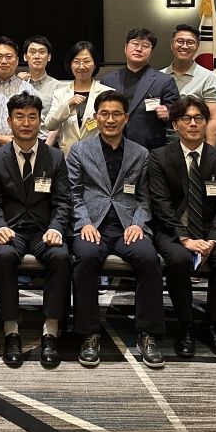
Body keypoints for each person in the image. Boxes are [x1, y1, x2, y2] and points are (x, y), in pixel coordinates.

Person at [67, 90, 165, 369]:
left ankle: (148, 333)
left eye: (116, 114)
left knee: (149, 258)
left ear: (126, 118)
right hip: (92, 225)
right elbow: (74, 194)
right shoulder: (79, 150)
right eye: (105, 114)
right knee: (86, 257)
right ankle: (88, 334)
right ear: (96, 117)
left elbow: (145, 198)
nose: (110, 120)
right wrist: (84, 222)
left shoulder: (141, 154)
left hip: (127, 225)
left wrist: (138, 223)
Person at [149, 95, 216, 360]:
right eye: (186, 119)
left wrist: (213, 239)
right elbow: (161, 204)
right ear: (175, 124)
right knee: (179, 261)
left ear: (205, 122)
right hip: (173, 231)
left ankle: (212, 326)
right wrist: (184, 238)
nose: (192, 124)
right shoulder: (159, 157)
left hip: (211, 231)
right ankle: (186, 326)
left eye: (198, 118)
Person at [0, 92, 71, 368]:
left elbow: (62, 201)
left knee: (60, 257)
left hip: (44, 230)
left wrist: (56, 228)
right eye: (19, 117)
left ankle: (51, 332)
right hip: (11, 230)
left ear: (40, 121)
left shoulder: (55, 157)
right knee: (4, 256)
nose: (25, 123)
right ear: (9, 121)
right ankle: (11, 332)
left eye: (32, 117)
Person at [100, 28, 179, 151]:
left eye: (145, 45)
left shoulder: (164, 81)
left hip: (149, 148)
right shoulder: (108, 80)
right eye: (135, 44)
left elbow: (178, 115)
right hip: (111, 147)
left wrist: (168, 114)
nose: (139, 49)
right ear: (125, 48)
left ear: (151, 52)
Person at [44, 41, 113, 156]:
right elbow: (50, 124)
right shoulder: (60, 93)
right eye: (76, 62)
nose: (81, 66)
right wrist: (68, 104)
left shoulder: (107, 93)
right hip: (68, 156)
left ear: (95, 64)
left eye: (86, 61)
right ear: (70, 65)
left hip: (97, 155)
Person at [162, 24, 216, 145]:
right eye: (180, 41)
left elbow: (213, 119)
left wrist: (209, 152)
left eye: (190, 42)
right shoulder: (158, 76)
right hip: (162, 144)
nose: (185, 46)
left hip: (196, 144)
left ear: (197, 47)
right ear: (171, 45)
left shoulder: (208, 77)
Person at [22, 35, 60, 139]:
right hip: (19, 141)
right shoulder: (18, 84)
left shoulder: (59, 87)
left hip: (47, 142)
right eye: (32, 52)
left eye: (42, 52)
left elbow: (59, 122)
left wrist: (47, 146)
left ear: (49, 57)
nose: (37, 56)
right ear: (25, 56)